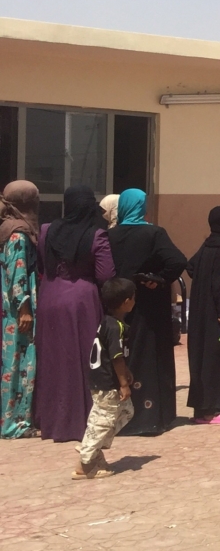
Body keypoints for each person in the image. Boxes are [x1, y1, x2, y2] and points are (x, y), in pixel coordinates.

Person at [36, 186, 114, 443]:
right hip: (81, 301)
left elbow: (41, 264)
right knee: (83, 359)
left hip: (49, 296)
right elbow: (105, 274)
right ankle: (79, 421)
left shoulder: (46, 230)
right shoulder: (96, 235)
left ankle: (52, 421)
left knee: (53, 359)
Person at [107, 189, 187, 436]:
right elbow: (177, 260)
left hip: (116, 304)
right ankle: (152, 417)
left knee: (120, 353)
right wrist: (159, 279)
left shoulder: (110, 235)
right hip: (149, 306)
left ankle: (120, 418)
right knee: (150, 355)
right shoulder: (154, 233)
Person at [74, 277, 135, 480]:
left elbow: (115, 355)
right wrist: (123, 384)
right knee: (103, 419)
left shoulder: (109, 322)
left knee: (126, 411)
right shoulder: (115, 327)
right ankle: (86, 462)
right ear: (126, 302)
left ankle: (95, 445)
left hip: (103, 378)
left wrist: (126, 371)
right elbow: (116, 357)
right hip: (106, 382)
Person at [185, 206, 220, 424]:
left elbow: (190, 267)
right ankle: (217, 410)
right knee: (218, 358)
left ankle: (202, 410)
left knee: (201, 357)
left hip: (201, 311)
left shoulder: (208, 244)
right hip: (218, 314)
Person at [0, 181, 40, 438]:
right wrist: (25, 307)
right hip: (17, 311)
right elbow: (18, 273)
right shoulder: (18, 233)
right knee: (18, 363)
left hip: (8, 307)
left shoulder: (7, 228)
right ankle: (15, 424)